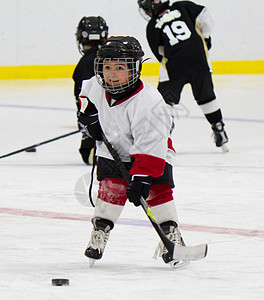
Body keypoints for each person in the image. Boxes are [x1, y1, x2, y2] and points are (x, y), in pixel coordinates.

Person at [78, 36, 185, 267]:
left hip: (153, 154)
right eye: (107, 67)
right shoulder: (96, 86)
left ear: (135, 69)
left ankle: (171, 235)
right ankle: (100, 232)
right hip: (112, 148)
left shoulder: (149, 102)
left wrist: (142, 178)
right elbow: (85, 96)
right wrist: (89, 117)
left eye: (119, 68)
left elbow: (151, 143)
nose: (111, 74)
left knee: (158, 190)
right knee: (110, 190)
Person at [137, 0, 229, 152]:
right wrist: (204, 38)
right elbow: (205, 15)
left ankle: (163, 136)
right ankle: (218, 127)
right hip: (199, 60)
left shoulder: (152, 26)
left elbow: (160, 52)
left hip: (175, 66)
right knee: (206, 97)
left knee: (165, 101)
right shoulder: (182, 6)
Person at [73, 16, 108, 164]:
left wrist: (86, 124)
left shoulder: (85, 63)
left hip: (101, 130)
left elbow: (84, 98)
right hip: (122, 125)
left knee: (88, 155)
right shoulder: (113, 58)